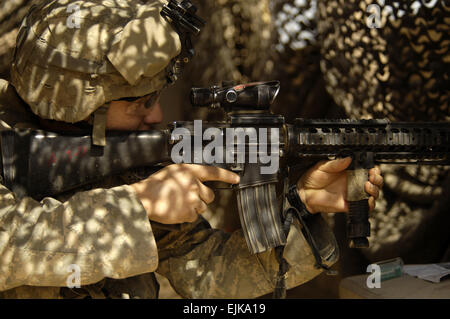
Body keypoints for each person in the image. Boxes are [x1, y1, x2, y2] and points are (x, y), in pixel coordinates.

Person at [0, 0, 383, 299]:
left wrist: (304, 207)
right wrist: (137, 205)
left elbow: (208, 275)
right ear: (74, 103)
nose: (157, 115)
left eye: (155, 98)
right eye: (138, 103)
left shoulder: (116, 159)